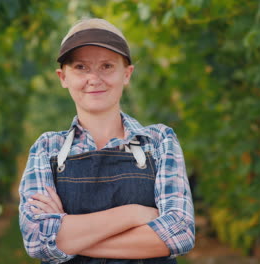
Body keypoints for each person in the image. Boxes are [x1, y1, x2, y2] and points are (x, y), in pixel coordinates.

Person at [19, 18, 195, 264]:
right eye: (81, 67)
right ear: (63, 77)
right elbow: (37, 241)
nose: (94, 78)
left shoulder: (158, 141)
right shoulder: (47, 148)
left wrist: (69, 236)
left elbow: (179, 234)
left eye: (107, 66)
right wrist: (134, 214)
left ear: (127, 74)